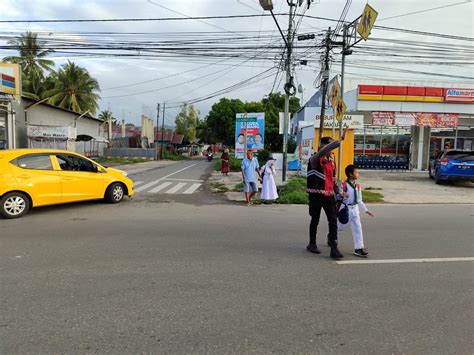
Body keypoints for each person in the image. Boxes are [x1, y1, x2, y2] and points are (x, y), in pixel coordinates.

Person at [306, 129, 348, 259]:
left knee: (332, 220)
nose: (330, 151)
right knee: (315, 219)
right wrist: (339, 140)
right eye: (328, 148)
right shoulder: (314, 159)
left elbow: (333, 180)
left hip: (329, 195)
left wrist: (339, 192)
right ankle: (312, 244)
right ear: (322, 147)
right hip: (316, 195)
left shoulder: (331, 162)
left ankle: (334, 245)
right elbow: (324, 151)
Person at [337, 165, 374, 257]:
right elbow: (338, 196)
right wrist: (342, 194)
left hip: (355, 209)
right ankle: (331, 236)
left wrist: (366, 210)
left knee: (358, 228)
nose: (358, 174)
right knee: (339, 227)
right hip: (346, 209)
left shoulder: (357, 186)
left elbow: (360, 200)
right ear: (350, 174)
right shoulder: (344, 185)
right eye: (356, 172)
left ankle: (359, 248)